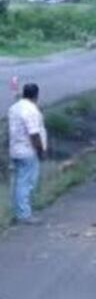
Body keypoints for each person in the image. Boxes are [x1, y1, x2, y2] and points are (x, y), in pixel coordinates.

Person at [7, 83, 46, 225]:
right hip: (28, 150)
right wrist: (40, 151)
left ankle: (18, 212)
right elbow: (34, 133)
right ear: (36, 95)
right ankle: (24, 214)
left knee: (18, 182)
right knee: (27, 183)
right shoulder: (31, 110)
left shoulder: (14, 108)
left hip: (15, 149)